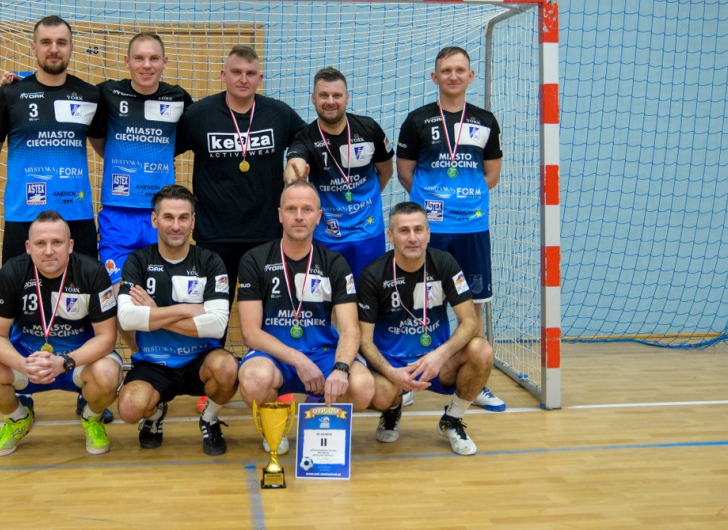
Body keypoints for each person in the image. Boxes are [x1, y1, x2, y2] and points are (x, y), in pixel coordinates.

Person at [395, 46, 506, 412]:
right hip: (430, 230)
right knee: (417, 302)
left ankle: (475, 379)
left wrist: (463, 200)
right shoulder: (417, 120)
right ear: (435, 77)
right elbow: (405, 174)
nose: (453, 76)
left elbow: (491, 173)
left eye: (460, 70)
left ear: (470, 76)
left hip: (472, 228)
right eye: (446, 70)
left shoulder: (486, 121)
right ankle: (408, 378)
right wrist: (434, 204)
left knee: (471, 306)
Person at [0, 210, 122, 457]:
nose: (49, 251)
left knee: (108, 373)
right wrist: (23, 364)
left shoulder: (92, 272)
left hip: (76, 363)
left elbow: (107, 338)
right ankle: (19, 418)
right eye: (41, 243)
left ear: (70, 246)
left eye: (57, 242)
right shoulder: (12, 272)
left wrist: (66, 362)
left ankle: (92, 417)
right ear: (28, 247)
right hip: (28, 362)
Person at [237, 181, 375, 454]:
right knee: (254, 380)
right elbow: (250, 333)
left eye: (307, 209)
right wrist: (298, 359)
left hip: (323, 353)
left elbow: (350, 329)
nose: (299, 216)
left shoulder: (335, 263)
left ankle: (318, 410)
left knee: (363, 387)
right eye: (291, 209)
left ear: (318, 216)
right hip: (274, 356)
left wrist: (340, 369)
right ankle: (275, 426)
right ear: (280, 215)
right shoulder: (254, 260)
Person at [358, 202, 494, 456]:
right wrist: (390, 372)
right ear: (390, 236)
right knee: (376, 392)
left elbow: (470, 322)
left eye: (418, 230)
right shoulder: (373, 274)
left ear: (428, 234)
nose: (412, 238)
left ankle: (452, 419)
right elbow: (364, 341)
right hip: (392, 364)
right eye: (404, 231)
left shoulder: (445, 263)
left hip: (436, 362)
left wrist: (440, 355)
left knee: (482, 350)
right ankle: (392, 409)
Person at [116, 185, 237, 456]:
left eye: (183, 218)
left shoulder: (210, 261)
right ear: (154, 219)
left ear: (193, 221)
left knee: (228, 368)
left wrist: (154, 313)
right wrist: (187, 309)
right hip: (153, 363)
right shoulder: (138, 261)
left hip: (200, 360)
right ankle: (155, 413)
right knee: (129, 409)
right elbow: (127, 317)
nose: (176, 225)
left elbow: (217, 324)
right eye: (168, 217)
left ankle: (210, 418)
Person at [176, 45, 307, 295]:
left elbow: (305, 138)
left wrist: (296, 157)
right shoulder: (199, 115)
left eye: (250, 73)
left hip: (267, 234)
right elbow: (166, 150)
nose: (244, 79)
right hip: (215, 235)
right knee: (215, 311)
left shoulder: (278, 113)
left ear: (260, 78)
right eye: (237, 72)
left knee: (267, 310)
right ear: (223, 75)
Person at [0, 15, 101, 264]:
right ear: (34, 47)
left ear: (71, 47)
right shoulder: (11, 93)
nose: (54, 49)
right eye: (46, 42)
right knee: (20, 289)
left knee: (83, 289)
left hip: (76, 215)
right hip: (24, 216)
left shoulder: (90, 94)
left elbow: (107, 149)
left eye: (61, 42)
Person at [89, 33, 193, 286]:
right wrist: (21, 80)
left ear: (165, 62)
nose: (147, 65)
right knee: (119, 292)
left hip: (163, 214)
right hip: (117, 214)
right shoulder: (108, 93)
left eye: (154, 58)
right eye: (139, 58)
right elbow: (65, 90)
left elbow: (197, 129)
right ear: (127, 61)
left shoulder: (179, 98)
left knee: (162, 291)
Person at [284, 66, 394, 282]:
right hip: (327, 237)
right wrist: (294, 180)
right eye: (323, 95)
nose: (330, 101)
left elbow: (386, 170)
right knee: (329, 297)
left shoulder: (369, 128)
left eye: (337, 95)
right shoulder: (305, 137)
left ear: (347, 98)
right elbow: (293, 165)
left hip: (368, 232)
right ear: (313, 98)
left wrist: (366, 199)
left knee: (369, 295)